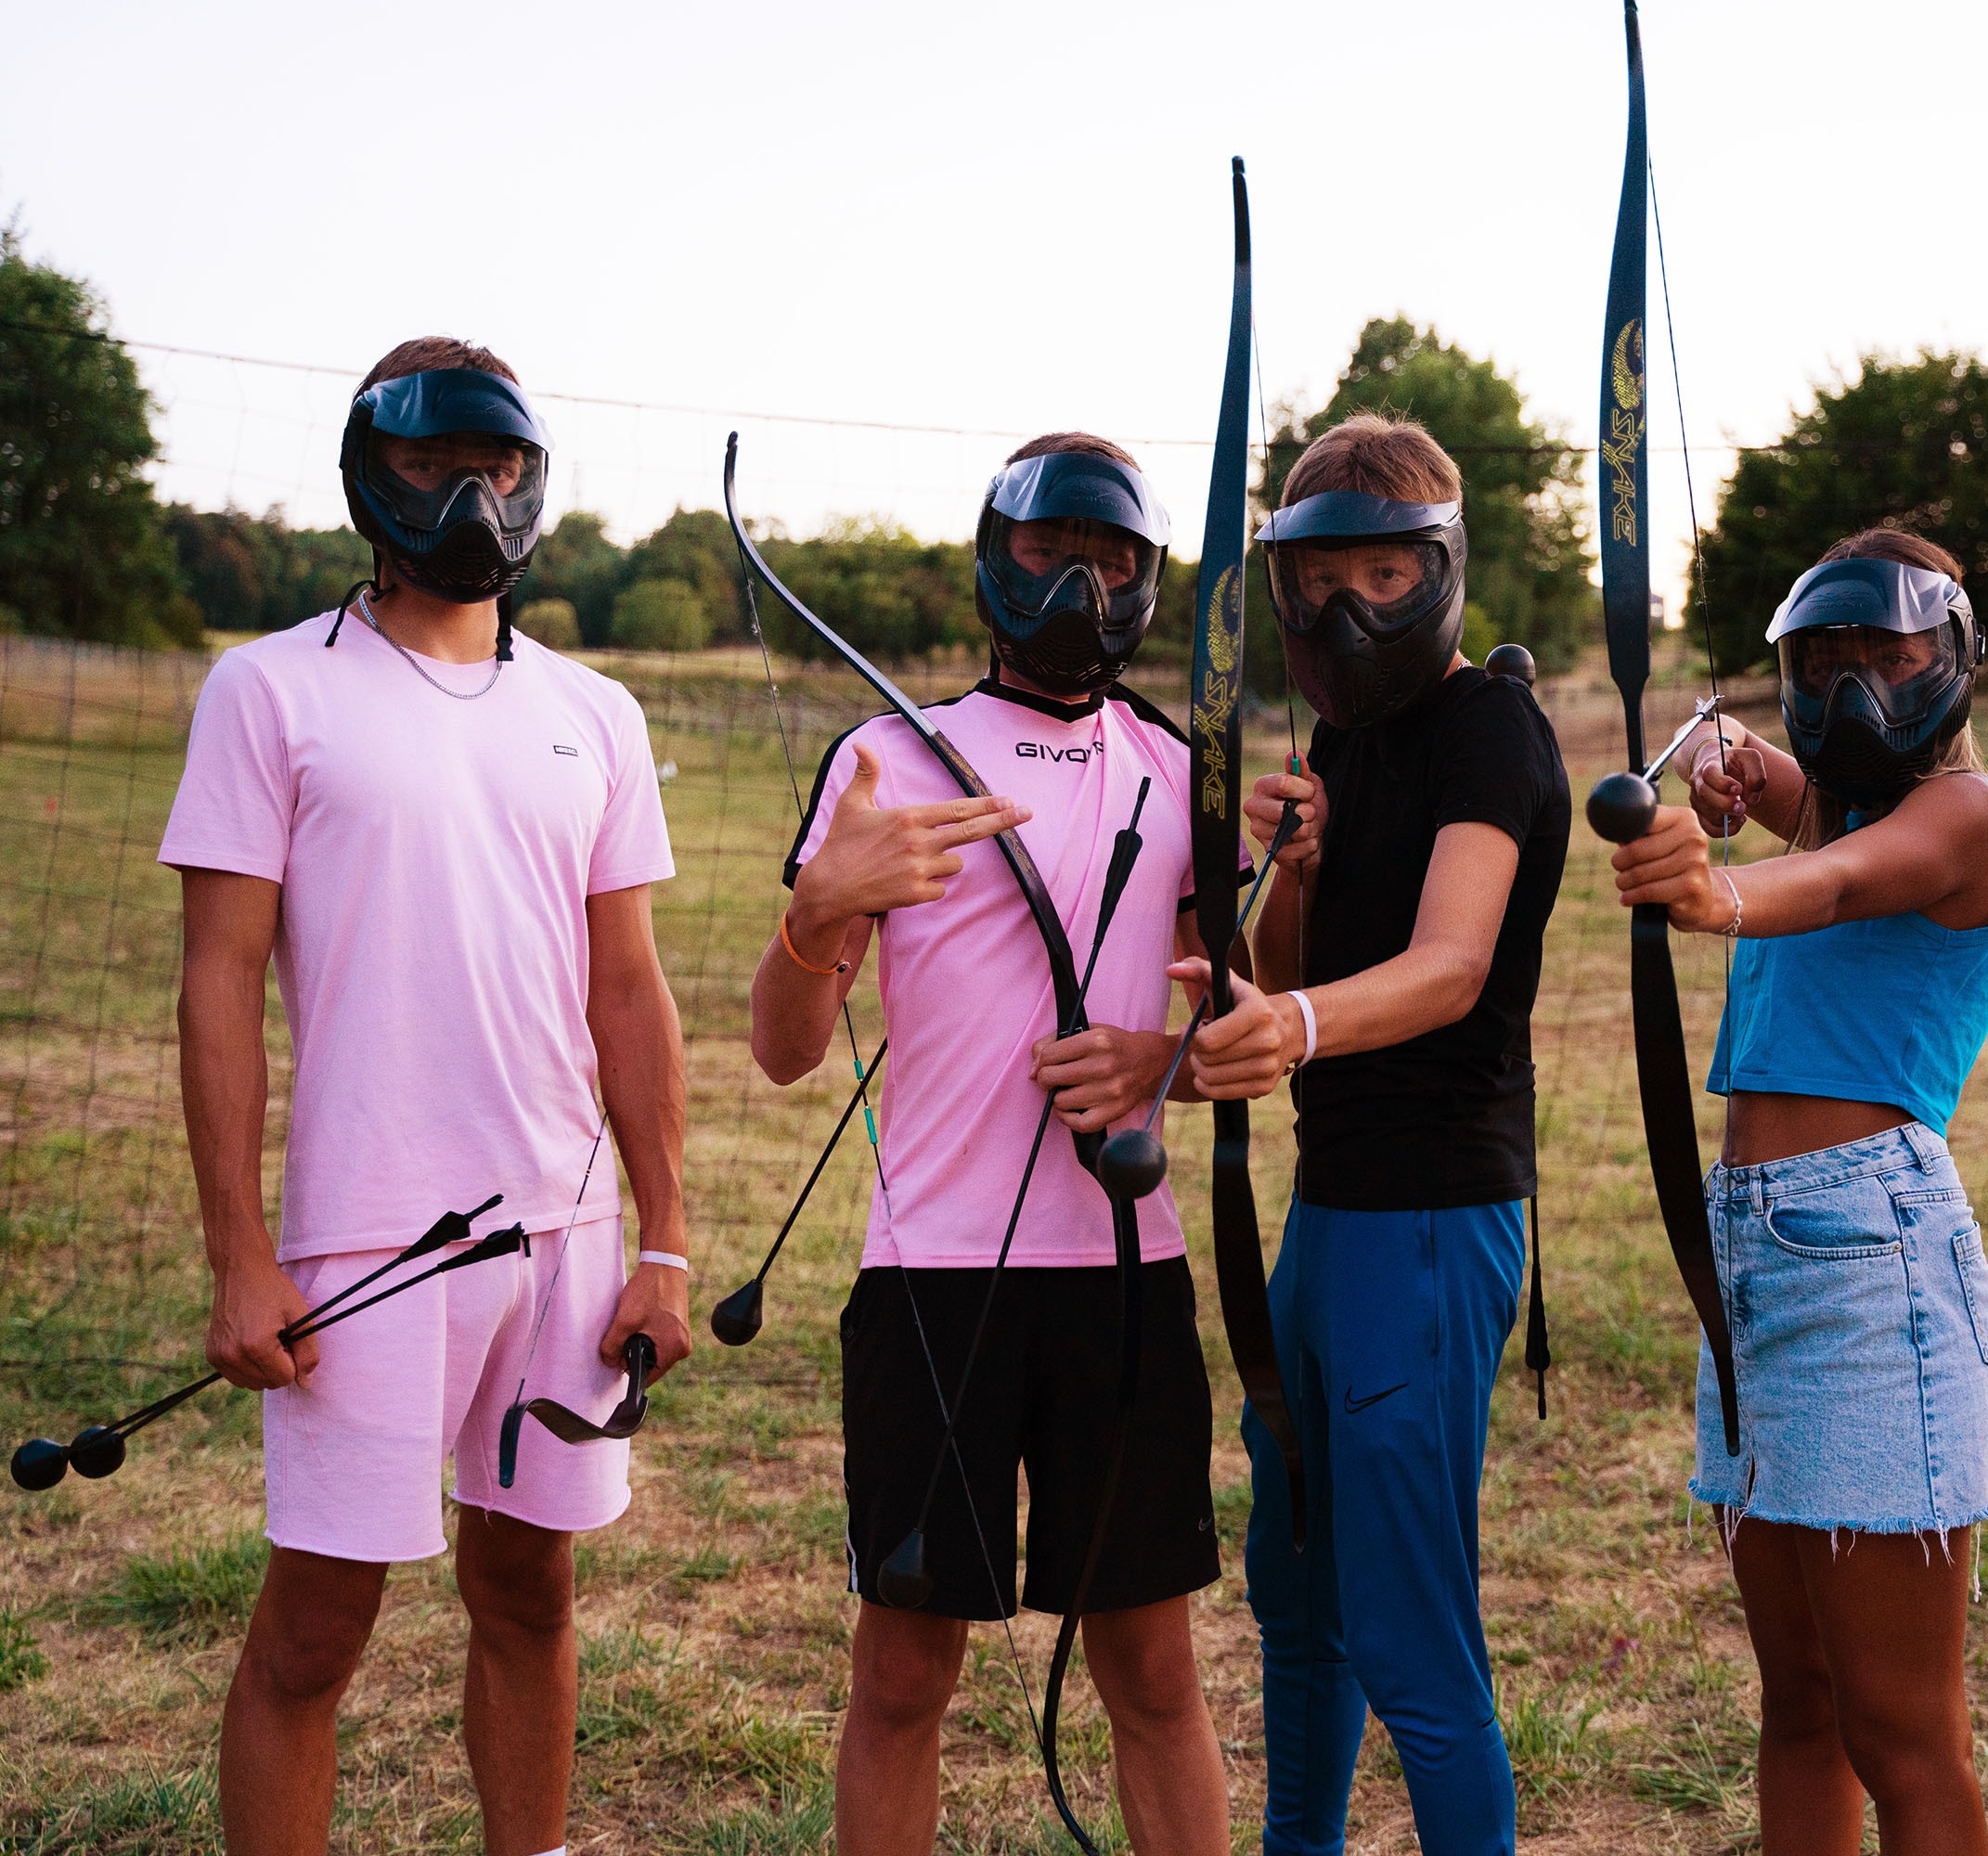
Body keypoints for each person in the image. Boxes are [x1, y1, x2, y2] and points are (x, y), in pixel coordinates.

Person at [161, 337, 691, 1856]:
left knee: (530, 1592)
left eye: (501, 463)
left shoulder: (598, 712)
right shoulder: (268, 692)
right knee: (316, 1633)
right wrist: (237, 1255)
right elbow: (217, 982)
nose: (472, 492)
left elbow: (630, 990)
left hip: (567, 1236)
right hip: (367, 1245)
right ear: (366, 471)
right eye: (430, 462)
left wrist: (660, 1238)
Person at [750, 433, 1234, 1856]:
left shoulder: (1173, 766)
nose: (1081, 586)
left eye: (1114, 560)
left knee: (1151, 1671)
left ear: (1147, 580)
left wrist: (1170, 1057)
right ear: (993, 559)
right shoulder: (885, 755)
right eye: (1048, 553)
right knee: (904, 1676)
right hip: (931, 1279)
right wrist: (819, 907)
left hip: (1125, 1270)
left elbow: (1244, 1021)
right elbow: (783, 1047)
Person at [1176, 412, 1568, 1856]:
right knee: (1301, 1599)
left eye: (1386, 574)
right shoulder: (1340, 736)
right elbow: (1287, 971)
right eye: (1318, 573)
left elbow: (1452, 966)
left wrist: (1297, 1027)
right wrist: (1298, 871)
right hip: (1333, 1216)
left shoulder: (1492, 727)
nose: (1348, 607)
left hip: (1432, 1222)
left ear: (1444, 568)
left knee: (1410, 1633)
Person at [1604, 530, 1988, 1856]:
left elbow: (1844, 878)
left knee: (1901, 1729)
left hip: (1870, 1257)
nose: (1856, 687)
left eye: (1889, 656)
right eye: (1823, 662)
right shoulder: (1842, 801)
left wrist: (1715, 888)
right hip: (1752, 1258)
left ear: (1951, 659)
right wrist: (1734, 766)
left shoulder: (1966, 814)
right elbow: (1818, 814)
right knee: (1798, 1705)